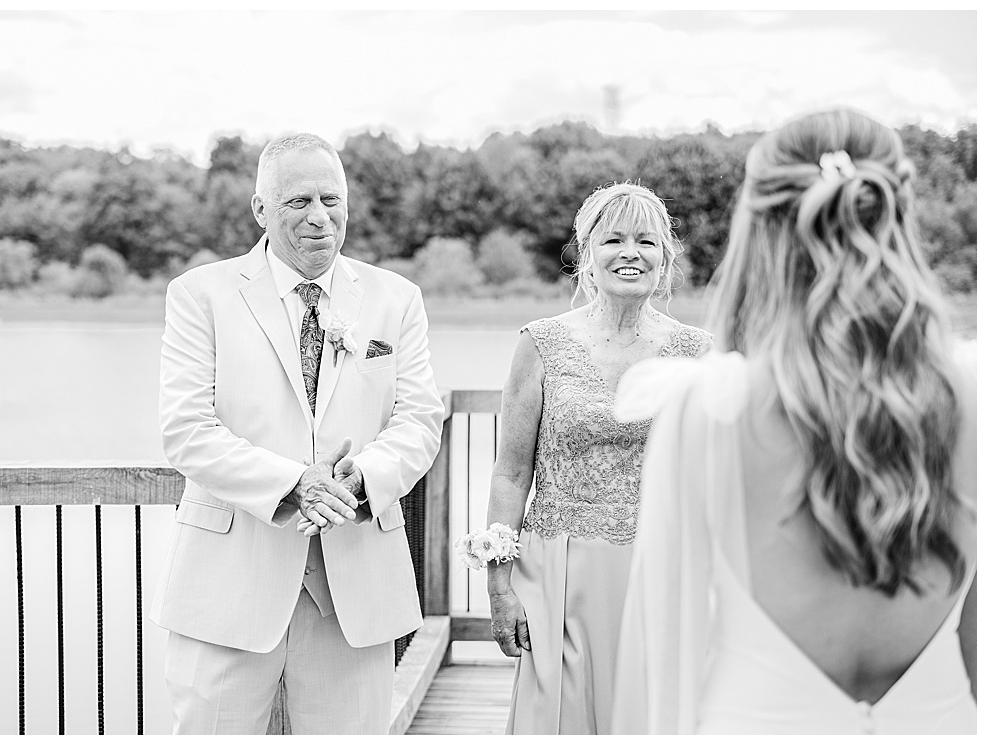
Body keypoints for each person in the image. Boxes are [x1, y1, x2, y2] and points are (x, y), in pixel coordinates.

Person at [612, 109, 976, 735]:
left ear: (758, 228)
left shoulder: (709, 410)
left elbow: (661, 660)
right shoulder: (972, 395)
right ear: (898, 215)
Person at [153, 133, 444, 734]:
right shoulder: (200, 295)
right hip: (227, 587)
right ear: (261, 209)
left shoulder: (396, 299)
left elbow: (419, 420)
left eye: (331, 199)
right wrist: (296, 483)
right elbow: (186, 430)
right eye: (298, 202)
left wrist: (359, 478)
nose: (320, 217)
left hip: (356, 589)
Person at [479, 183, 709, 734]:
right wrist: (499, 585)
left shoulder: (698, 352)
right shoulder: (541, 343)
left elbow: (712, 480)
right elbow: (511, 473)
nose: (630, 253)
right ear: (587, 254)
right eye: (613, 239)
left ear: (665, 258)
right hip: (556, 574)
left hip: (659, 572)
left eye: (646, 242)